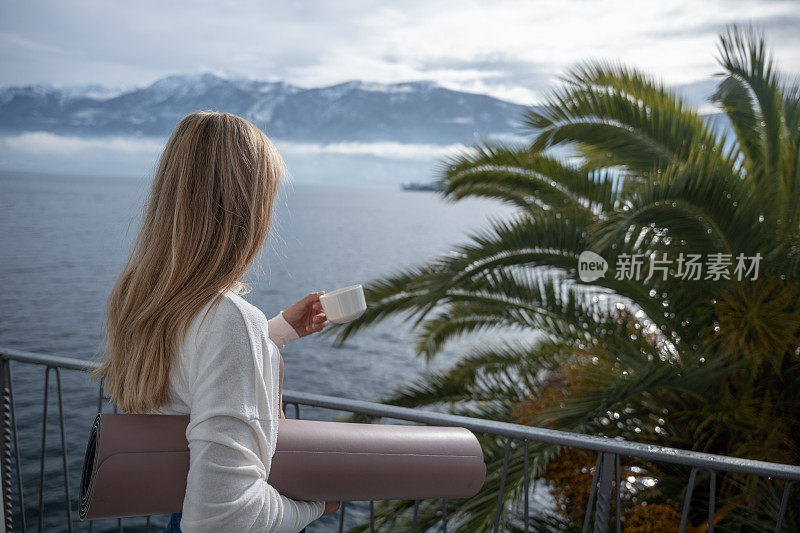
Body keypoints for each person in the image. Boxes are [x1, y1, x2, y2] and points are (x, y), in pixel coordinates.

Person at [92, 111, 340, 532]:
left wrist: (274, 333)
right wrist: (317, 506)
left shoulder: (145, 294)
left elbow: (189, 368)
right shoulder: (229, 319)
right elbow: (225, 518)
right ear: (246, 209)